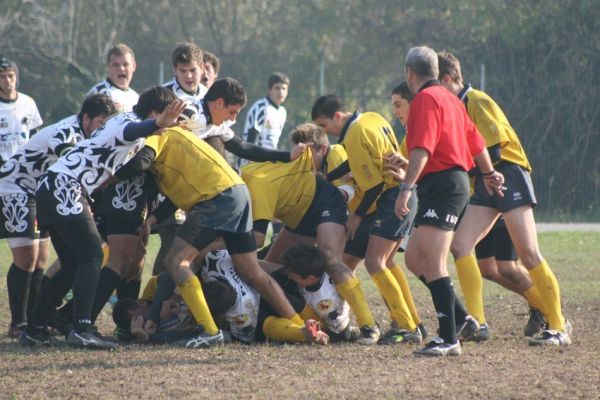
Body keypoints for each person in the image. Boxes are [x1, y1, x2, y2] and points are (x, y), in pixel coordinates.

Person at [112, 122, 306, 349]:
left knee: (176, 260)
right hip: (237, 192)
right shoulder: (180, 148)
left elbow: (139, 163)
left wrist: (110, 173)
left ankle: (210, 331)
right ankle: (298, 323)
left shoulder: (157, 136)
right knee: (251, 270)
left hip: (216, 198)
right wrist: (152, 220)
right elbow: (179, 193)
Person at [20, 87, 186, 349]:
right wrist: (156, 124)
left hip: (52, 186)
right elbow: (130, 133)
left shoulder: (121, 120)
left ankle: (35, 328)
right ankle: (82, 329)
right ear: (156, 113)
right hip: (66, 187)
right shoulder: (130, 124)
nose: (169, 128)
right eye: (169, 120)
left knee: (73, 263)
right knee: (93, 257)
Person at [437, 50, 571, 346]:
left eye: (434, 85)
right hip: (484, 180)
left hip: (507, 173)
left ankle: (559, 327)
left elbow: (494, 150)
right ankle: (477, 322)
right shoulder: (454, 108)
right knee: (460, 246)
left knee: (528, 253)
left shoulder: (477, 101)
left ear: (446, 79)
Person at [392, 46, 504, 356]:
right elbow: (476, 141)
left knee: (433, 260)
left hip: (443, 184)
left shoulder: (426, 99)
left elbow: (423, 149)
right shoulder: (451, 99)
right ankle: (462, 320)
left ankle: (447, 338)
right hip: (447, 184)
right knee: (415, 258)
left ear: (409, 73)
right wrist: (489, 173)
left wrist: (405, 187)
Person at [241, 123, 381, 345]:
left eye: (307, 148)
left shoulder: (332, 153)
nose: (302, 152)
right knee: (268, 269)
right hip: (299, 217)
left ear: (321, 148)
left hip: (325, 201)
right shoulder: (273, 167)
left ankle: (368, 325)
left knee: (330, 259)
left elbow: (349, 179)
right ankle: (309, 320)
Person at [290, 119, 426, 342]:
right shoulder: (322, 164)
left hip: (370, 211)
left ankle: (404, 325)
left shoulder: (336, 153)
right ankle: (347, 324)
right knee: (348, 263)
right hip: (363, 213)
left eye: (305, 154)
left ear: (321, 148)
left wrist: (353, 214)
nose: (302, 160)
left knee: (373, 263)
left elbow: (358, 185)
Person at [1, 94, 117, 338]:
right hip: (16, 188)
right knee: (27, 257)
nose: (103, 129)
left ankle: (36, 321)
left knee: (43, 259)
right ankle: (19, 324)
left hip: (41, 193)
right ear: (86, 118)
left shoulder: (85, 133)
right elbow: (70, 159)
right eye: (101, 123)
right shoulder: (66, 132)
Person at [113, 249, 329, 346]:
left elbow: (175, 273)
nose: (141, 321)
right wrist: (146, 338)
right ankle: (305, 333)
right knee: (262, 325)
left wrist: (165, 303)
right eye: (136, 322)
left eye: (138, 315)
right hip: (226, 314)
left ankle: (326, 324)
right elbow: (188, 336)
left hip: (227, 284)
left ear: (141, 303)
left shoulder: (154, 290)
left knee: (287, 297)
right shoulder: (156, 330)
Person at [238, 72, 289, 168]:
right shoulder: (261, 107)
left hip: (269, 161)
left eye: (284, 89)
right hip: (252, 162)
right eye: (277, 88)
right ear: (269, 90)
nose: (281, 92)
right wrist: (250, 162)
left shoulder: (283, 112)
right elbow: (251, 139)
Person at [0, 56, 43, 163]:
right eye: (2, 77)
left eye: (11, 76)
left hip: (23, 166)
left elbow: (35, 135)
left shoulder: (28, 102)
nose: (7, 81)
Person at [87, 44, 138, 113]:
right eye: (116, 65)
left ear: (133, 66)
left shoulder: (136, 97)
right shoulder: (99, 93)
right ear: (108, 67)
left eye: (125, 64)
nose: (121, 69)